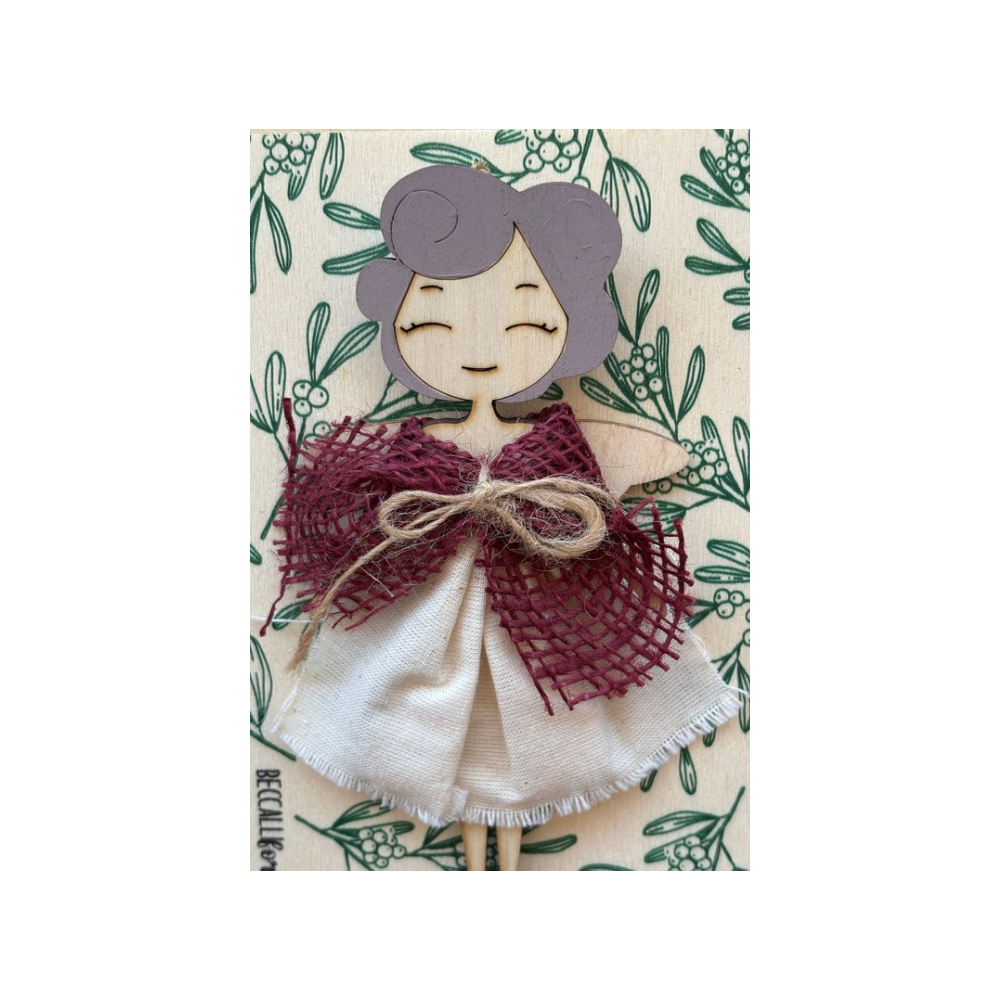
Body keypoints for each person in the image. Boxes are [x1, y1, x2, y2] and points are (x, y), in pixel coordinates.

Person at [267, 165, 738, 870]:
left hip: (547, 607)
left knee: (548, 716)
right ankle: (471, 830)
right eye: (437, 318)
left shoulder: (553, 445)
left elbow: (612, 465)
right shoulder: (422, 446)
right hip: (424, 602)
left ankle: (513, 837)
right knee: (428, 714)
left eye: (525, 318)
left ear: (568, 327)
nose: (482, 346)